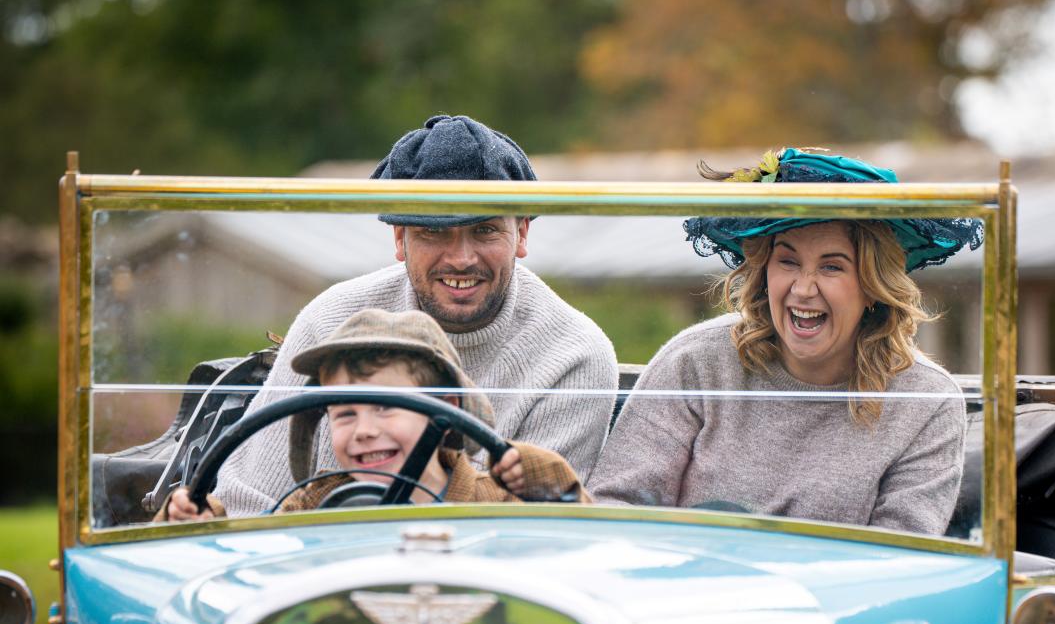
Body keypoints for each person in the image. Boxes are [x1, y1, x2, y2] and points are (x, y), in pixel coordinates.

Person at [214, 115, 617, 516]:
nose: (461, 259)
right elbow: (246, 506)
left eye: (486, 230)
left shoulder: (576, 355)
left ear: (522, 233)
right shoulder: (329, 322)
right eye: (434, 232)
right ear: (399, 239)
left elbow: (540, 529)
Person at [588, 148, 982, 535]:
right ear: (763, 271)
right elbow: (615, 505)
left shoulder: (926, 401)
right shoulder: (696, 360)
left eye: (832, 266)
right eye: (788, 262)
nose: (803, 288)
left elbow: (903, 563)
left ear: (874, 285)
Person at [161, 309, 589, 521]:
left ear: (445, 411)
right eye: (344, 414)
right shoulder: (312, 507)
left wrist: (546, 479)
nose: (364, 431)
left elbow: (580, 540)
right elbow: (257, 573)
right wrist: (200, 524)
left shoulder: (497, 503)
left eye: (386, 407)